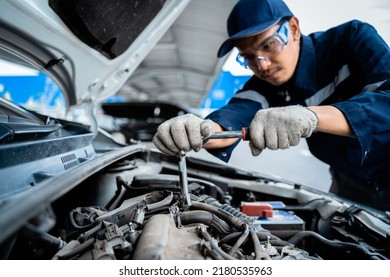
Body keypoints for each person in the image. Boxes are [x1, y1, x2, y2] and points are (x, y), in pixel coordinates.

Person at [153, 0, 390, 210]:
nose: (262, 65)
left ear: (294, 29)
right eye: (247, 57)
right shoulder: (264, 87)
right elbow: (233, 116)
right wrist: (198, 130)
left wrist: (311, 117)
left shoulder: (353, 40)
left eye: (268, 46)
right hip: (349, 183)